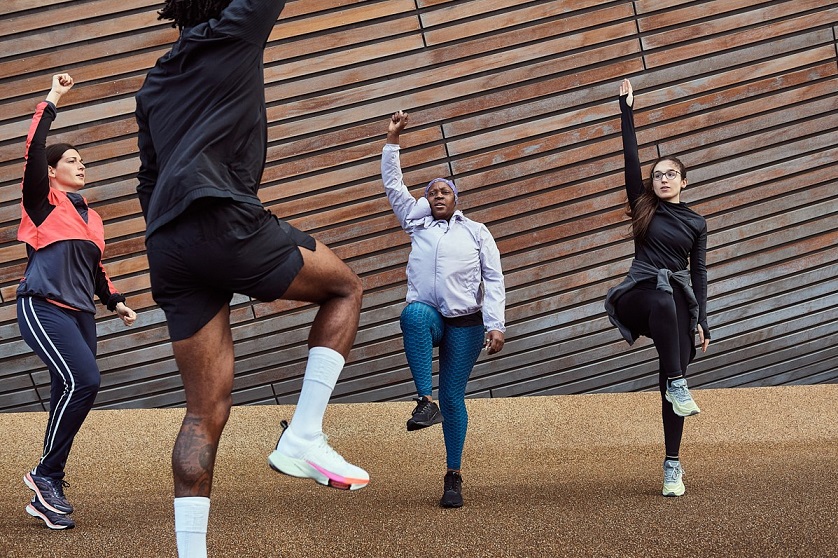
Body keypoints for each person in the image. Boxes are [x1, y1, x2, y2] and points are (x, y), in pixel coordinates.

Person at [134, 1, 367, 555]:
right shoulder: (235, 33)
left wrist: (175, 239)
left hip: (167, 243)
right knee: (345, 288)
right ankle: (304, 435)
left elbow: (148, 177)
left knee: (201, 413)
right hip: (223, 219)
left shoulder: (154, 83)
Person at [17, 74, 137, 530]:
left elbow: (94, 269)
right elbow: (32, 149)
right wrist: (52, 98)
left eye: (82, 159)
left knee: (67, 392)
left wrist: (115, 302)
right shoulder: (42, 201)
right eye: (71, 159)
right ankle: (46, 475)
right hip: (43, 306)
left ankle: (46, 494)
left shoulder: (92, 215)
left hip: (81, 314)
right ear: (51, 171)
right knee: (85, 380)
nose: (80, 164)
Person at [381, 111, 506, 508]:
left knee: (455, 397)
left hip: (467, 324)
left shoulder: (475, 231)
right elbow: (392, 185)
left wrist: (496, 324)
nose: (436, 195)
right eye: (431, 191)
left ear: (456, 199)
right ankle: (423, 400)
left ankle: (453, 476)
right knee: (412, 314)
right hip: (433, 318)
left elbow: (495, 278)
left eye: (444, 191)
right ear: (424, 200)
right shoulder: (416, 225)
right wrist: (392, 140)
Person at [604, 79, 711, 497]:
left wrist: (703, 322)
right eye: (657, 174)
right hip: (639, 293)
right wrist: (626, 110)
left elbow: (698, 275)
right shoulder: (644, 205)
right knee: (663, 301)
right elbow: (630, 161)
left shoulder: (698, 223)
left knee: (671, 378)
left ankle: (672, 466)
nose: (662, 178)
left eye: (671, 174)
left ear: (685, 182)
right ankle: (679, 383)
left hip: (676, 302)